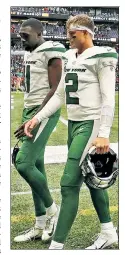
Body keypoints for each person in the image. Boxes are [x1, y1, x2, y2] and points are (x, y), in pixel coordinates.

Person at [16, 14, 118, 249]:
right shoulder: (69, 56)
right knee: (92, 181)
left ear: (86, 33)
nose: (68, 39)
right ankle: (108, 231)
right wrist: (36, 119)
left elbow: (108, 99)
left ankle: (57, 247)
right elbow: (60, 95)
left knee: (68, 184)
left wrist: (103, 132)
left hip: (89, 124)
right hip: (73, 123)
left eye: (72, 35)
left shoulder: (102, 57)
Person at [13, 18, 66, 242]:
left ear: (39, 33)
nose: (21, 38)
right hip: (30, 109)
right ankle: (39, 224)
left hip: (42, 112)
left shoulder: (51, 50)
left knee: (23, 162)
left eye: (25, 35)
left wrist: (35, 117)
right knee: (36, 166)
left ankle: (54, 211)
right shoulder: (29, 52)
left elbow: (55, 89)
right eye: (20, 34)